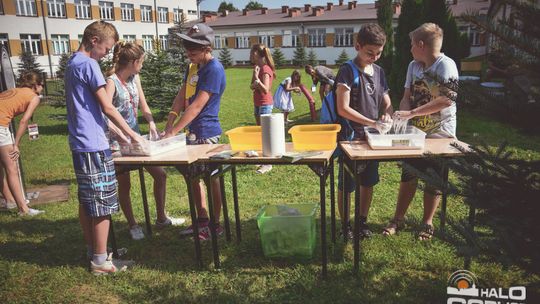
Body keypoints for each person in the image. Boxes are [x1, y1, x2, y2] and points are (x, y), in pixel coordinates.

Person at [64, 21, 143, 275]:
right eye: (106, 48)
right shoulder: (89, 64)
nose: (108, 54)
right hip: (94, 145)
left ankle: (94, 251)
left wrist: (119, 134)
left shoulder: (73, 63)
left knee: (88, 201)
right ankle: (101, 262)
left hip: (81, 143)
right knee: (102, 203)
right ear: (94, 40)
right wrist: (132, 134)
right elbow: (107, 107)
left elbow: (91, 109)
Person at [383, 23, 459, 240]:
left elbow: (447, 99)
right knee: (408, 175)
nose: (410, 49)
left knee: (433, 179)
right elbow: (407, 96)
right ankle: (398, 218)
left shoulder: (447, 66)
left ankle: (427, 222)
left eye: (411, 45)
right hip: (415, 134)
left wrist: (413, 113)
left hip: (440, 134)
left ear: (421, 45)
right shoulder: (413, 66)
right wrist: (404, 115)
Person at [105, 41, 185, 241]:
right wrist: (122, 136)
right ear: (132, 62)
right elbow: (104, 115)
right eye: (141, 61)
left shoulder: (135, 78)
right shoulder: (111, 82)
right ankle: (132, 225)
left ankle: (161, 218)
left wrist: (150, 122)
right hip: (117, 143)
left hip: (136, 138)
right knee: (125, 185)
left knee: (161, 175)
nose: (142, 65)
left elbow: (143, 102)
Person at [162, 23, 226, 241]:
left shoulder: (214, 69)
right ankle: (202, 221)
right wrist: (171, 121)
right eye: (187, 46)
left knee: (211, 178)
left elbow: (197, 106)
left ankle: (215, 225)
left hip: (207, 133)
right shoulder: (193, 67)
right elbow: (182, 96)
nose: (189, 52)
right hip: (191, 133)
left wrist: (173, 132)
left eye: (194, 48)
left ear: (207, 47)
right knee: (192, 177)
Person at [335, 23, 393, 238]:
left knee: (368, 182)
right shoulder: (347, 71)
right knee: (347, 184)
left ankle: (361, 222)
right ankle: (345, 225)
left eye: (379, 53)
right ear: (357, 46)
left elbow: (387, 102)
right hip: (351, 139)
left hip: (372, 139)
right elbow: (343, 108)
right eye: (370, 53)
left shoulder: (379, 72)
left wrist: (387, 114)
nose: (375, 57)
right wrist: (372, 122)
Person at [0, 71, 45, 216]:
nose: (42, 88)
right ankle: (23, 209)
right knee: (11, 168)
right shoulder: (34, 97)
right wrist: (16, 145)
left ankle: (10, 200)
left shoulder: (14, 91)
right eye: (42, 85)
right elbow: (24, 120)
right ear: (36, 85)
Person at [250, 44, 276, 174]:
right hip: (257, 103)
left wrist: (257, 81)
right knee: (260, 133)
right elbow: (251, 86)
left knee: (266, 134)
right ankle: (263, 159)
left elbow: (265, 89)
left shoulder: (265, 69)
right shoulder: (257, 68)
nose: (250, 55)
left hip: (265, 104)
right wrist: (255, 79)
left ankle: (268, 163)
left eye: (252, 52)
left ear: (257, 54)